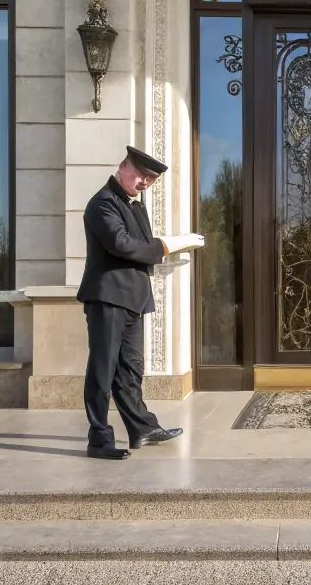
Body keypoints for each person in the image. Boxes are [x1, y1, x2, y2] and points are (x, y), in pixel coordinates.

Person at [77, 146, 194, 459]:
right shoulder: (101, 204)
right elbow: (122, 245)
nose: (145, 182)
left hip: (133, 299)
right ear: (123, 166)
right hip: (107, 298)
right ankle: (99, 439)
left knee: (131, 370)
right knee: (103, 370)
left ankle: (142, 428)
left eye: (151, 179)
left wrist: (164, 249)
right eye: (141, 174)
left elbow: (143, 248)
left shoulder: (135, 208)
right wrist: (169, 245)